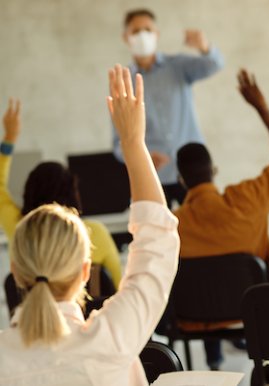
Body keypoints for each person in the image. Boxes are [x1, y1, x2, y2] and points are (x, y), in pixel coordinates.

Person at [0, 65, 179, 385]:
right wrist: (133, 142)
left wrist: (8, 140)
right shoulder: (113, 338)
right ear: (84, 271)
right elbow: (157, 243)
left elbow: (157, 240)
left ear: (16, 271)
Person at [171, 69, 269, 370]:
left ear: (180, 179)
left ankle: (213, 362)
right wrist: (261, 107)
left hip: (193, 319)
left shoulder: (171, 225)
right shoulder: (249, 200)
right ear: (213, 171)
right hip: (254, 311)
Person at [0, 100, 122, 288]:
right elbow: (120, 286)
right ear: (72, 194)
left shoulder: (19, 230)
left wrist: (9, 138)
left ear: (28, 194)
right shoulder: (94, 234)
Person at [112, 8, 224, 207]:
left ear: (157, 34)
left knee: (203, 229)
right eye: (136, 31)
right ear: (125, 37)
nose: (142, 36)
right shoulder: (124, 80)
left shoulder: (177, 66)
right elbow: (118, 139)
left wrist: (203, 46)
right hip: (152, 176)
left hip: (192, 171)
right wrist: (137, 153)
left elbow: (213, 64)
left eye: (147, 29)